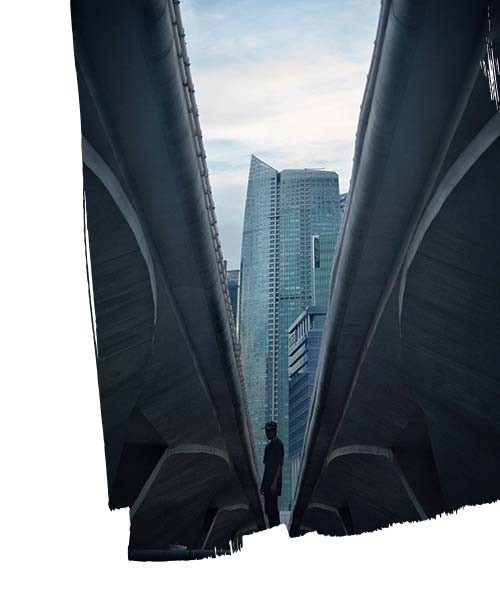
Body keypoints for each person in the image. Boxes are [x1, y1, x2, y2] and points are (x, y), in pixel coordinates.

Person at [260, 421, 284, 528]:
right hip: (267, 482)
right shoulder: (268, 447)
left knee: (273, 509)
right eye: (266, 431)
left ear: (275, 431)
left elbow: (279, 465)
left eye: (269, 431)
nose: (267, 433)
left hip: (274, 482)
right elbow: (266, 467)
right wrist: (263, 485)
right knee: (268, 509)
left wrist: (274, 483)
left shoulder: (279, 445)